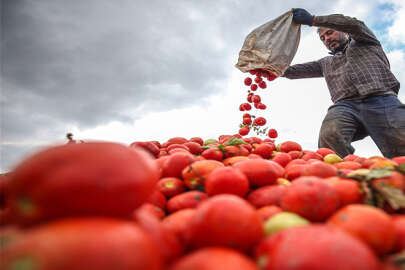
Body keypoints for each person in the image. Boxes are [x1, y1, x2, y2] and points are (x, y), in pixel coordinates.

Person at [282, 8, 405, 158]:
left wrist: (314, 20)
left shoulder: (366, 42)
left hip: (382, 100)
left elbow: (354, 25)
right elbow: (292, 71)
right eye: (322, 38)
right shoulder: (325, 63)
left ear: (344, 32)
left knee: (401, 142)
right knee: (330, 134)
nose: (326, 39)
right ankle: (340, 173)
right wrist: (269, 69)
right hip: (345, 106)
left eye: (329, 33)